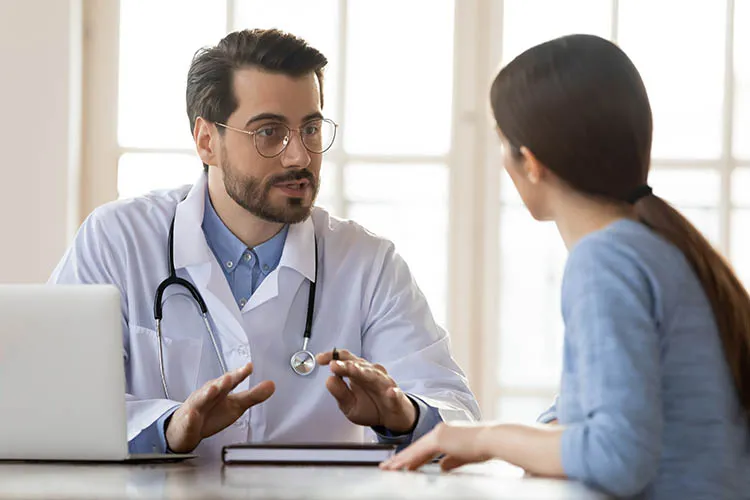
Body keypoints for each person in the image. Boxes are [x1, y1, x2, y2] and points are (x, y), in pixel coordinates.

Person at [50, 28, 479, 459]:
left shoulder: (368, 263)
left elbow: (456, 412)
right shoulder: (117, 240)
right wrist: (167, 426)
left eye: (310, 129)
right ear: (206, 141)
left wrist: (402, 415)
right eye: (269, 133)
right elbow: (54, 405)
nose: (299, 156)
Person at [381, 34, 750, 499]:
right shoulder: (661, 246)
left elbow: (618, 459)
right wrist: (547, 430)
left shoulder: (605, 262)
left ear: (531, 163)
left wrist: (484, 436)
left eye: (502, 143)